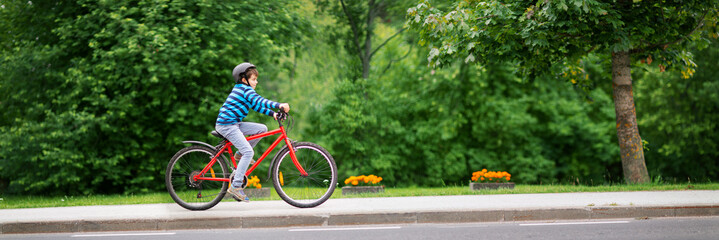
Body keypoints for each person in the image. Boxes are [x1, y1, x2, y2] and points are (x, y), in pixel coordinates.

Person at [215, 62, 289, 202]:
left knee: (262, 129)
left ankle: (239, 154)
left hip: (234, 123)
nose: (256, 81)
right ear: (244, 79)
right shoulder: (245, 89)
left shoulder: (244, 90)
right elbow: (260, 100)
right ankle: (235, 186)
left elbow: (256, 105)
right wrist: (279, 105)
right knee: (249, 152)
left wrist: (273, 114)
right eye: (254, 79)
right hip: (227, 125)